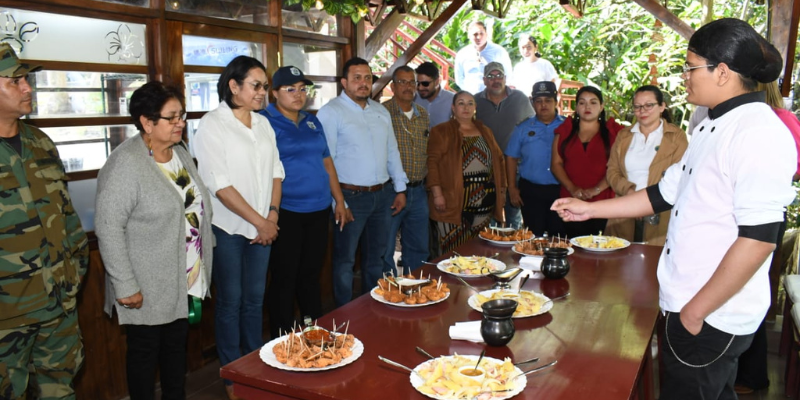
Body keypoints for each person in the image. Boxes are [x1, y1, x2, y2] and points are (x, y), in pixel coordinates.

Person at [551, 18, 796, 400]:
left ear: (722, 72)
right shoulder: (711, 126)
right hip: (689, 300)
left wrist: (695, 312)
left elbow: (759, 240)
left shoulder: (758, 134)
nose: (683, 76)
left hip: (710, 311)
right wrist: (588, 210)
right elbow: (663, 193)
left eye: (690, 67)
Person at [95, 81, 213, 400]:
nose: (180, 123)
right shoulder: (125, 165)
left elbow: (196, 204)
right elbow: (108, 229)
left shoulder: (179, 153)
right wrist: (125, 285)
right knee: (145, 355)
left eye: (182, 115)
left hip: (182, 275)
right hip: (144, 284)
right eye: (171, 117)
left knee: (176, 351)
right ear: (147, 122)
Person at [193, 56, 285, 400]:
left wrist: (272, 216)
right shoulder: (212, 125)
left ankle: (255, 366)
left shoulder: (263, 124)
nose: (263, 92)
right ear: (234, 86)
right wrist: (260, 221)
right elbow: (219, 184)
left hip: (265, 229)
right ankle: (233, 374)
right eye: (256, 85)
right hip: (229, 229)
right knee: (231, 302)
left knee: (254, 300)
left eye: (265, 86)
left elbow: (277, 171)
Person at [0, 43, 89, 400]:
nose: (27, 88)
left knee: (60, 390)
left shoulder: (39, 142)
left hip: (58, 303)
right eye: (15, 81)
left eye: (27, 80)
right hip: (7, 313)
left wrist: (76, 269)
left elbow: (66, 215)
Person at [259, 66, 351, 338]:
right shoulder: (264, 121)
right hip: (286, 211)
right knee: (285, 277)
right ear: (274, 93)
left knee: (311, 274)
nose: (298, 95)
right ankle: (282, 337)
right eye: (290, 89)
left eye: (302, 89)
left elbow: (326, 161)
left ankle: (313, 330)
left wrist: (339, 200)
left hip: (318, 210)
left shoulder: (312, 121)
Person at [317, 57, 408, 307]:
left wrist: (400, 188)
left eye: (368, 78)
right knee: (344, 261)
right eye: (356, 78)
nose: (363, 83)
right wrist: (339, 201)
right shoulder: (331, 112)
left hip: (382, 196)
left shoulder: (380, 112)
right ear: (344, 82)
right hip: (350, 198)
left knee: (377, 258)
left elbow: (392, 151)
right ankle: (344, 315)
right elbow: (327, 162)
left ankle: (372, 310)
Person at [734, 79, 800, 395]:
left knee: (750, 287)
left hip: (763, 214)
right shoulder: (736, 118)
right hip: (736, 213)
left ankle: (753, 374)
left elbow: (795, 167)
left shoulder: (780, 119)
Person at [605, 85, 688, 245]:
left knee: (653, 264)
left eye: (649, 105)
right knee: (619, 263)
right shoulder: (624, 136)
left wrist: (646, 201)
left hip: (660, 212)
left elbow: (678, 175)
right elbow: (612, 171)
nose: (642, 111)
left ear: (662, 106)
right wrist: (630, 194)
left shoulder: (676, 137)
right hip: (624, 209)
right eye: (637, 106)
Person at [427, 91, 507, 255]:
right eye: (461, 103)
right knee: (453, 252)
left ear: (475, 107)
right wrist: (437, 194)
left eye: (470, 103)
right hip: (452, 201)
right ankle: (451, 281)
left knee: (479, 250)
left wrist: (502, 190)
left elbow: (499, 160)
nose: (466, 107)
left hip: (484, 201)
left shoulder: (485, 131)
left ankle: (477, 281)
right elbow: (432, 163)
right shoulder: (441, 131)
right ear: (453, 108)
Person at [551, 86, 622, 238]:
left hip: (603, 201)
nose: (587, 107)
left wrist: (596, 190)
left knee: (600, 249)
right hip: (570, 200)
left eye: (593, 102)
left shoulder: (614, 132)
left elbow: (620, 166)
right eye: (582, 103)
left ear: (602, 106)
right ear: (576, 107)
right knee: (572, 246)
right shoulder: (565, 130)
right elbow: (556, 164)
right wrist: (573, 189)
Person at [382, 66, 431, 274]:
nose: (408, 86)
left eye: (412, 82)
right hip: (390, 191)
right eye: (402, 82)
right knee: (385, 248)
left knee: (419, 247)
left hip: (419, 191)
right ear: (392, 86)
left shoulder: (423, 114)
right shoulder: (382, 113)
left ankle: (416, 290)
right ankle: (389, 293)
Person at [476, 62, 534, 229]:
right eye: (491, 76)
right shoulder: (475, 101)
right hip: (486, 167)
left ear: (505, 78)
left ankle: (513, 253)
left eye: (499, 76)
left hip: (515, 166)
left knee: (514, 213)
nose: (496, 80)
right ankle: (491, 252)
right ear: (484, 80)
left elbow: (532, 125)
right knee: (488, 214)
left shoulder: (520, 98)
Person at [505, 81, 566, 237]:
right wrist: (512, 187)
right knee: (533, 237)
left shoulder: (568, 126)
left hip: (561, 190)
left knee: (559, 238)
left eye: (548, 100)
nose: (543, 105)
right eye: (538, 101)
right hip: (531, 190)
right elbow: (511, 157)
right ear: (532, 102)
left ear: (556, 101)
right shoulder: (523, 128)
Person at [454, 21, 513, 94]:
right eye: (475, 34)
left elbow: (508, 74)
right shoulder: (462, 54)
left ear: (486, 34)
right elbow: (459, 79)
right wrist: (468, 93)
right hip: (471, 97)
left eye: (481, 33)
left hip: (494, 96)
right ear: (469, 36)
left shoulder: (499, 51)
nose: (478, 37)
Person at [511, 34, 559, 98]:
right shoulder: (518, 67)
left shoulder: (545, 64)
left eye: (529, 47)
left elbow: (553, 83)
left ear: (536, 47)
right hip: (522, 102)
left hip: (540, 102)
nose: (526, 51)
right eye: (523, 47)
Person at [414, 62, 454, 129]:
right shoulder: (413, 98)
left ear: (437, 82)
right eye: (417, 83)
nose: (420, 88)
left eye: (425, 84)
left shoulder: (452, 100)